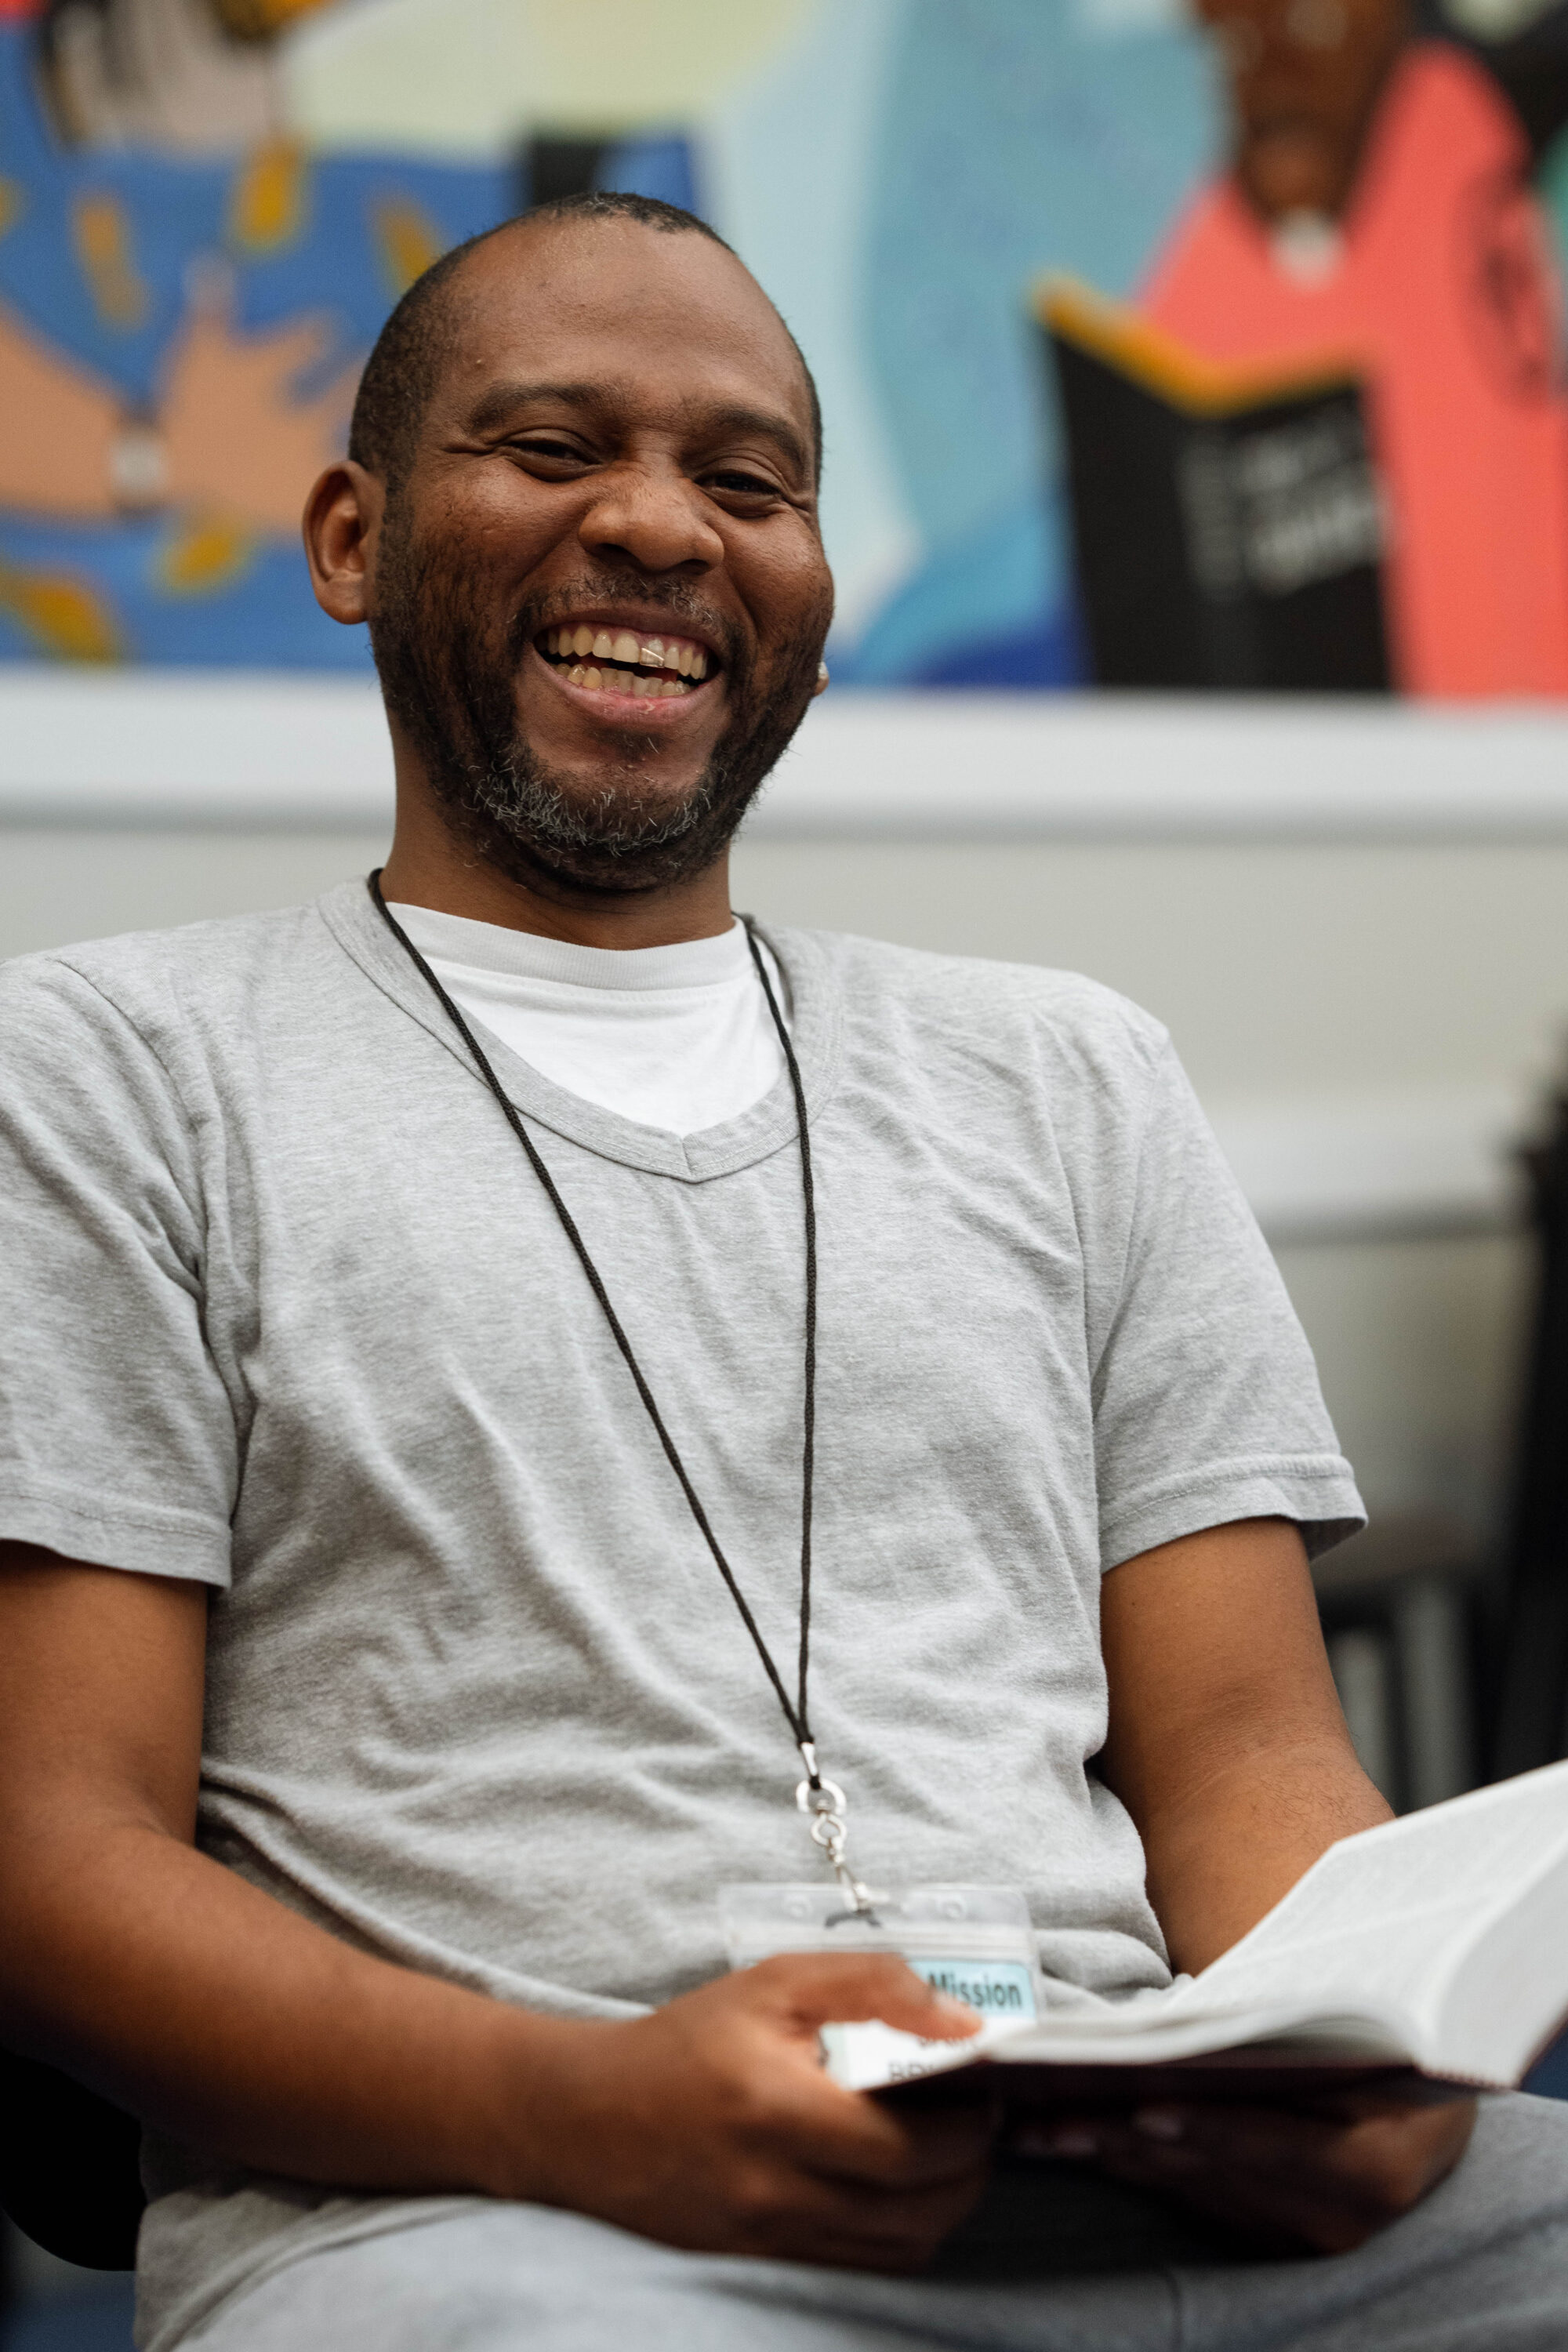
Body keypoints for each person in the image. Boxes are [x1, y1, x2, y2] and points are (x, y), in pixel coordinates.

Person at [0, 193, 1563, 2352]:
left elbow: (1246, 1764)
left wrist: (1364, 2046)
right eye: (553, 449)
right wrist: (581, 2113)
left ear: (816, 613)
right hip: (512, 2215)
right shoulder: (108, 1074)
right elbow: (49, 1856)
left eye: (747, 483)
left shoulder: (1070, 1076)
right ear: (353, 539)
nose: (659, 526)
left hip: (1175, 2181)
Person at [1140, 0, 1568, 693]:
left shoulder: (1464, 126)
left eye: (1315, 24)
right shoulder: (1200, 279)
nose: (1278, 75)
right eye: (1239, 44)